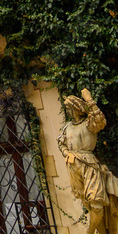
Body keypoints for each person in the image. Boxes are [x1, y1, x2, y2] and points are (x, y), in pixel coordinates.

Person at [58, 88, 118, 234]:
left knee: (96, 203)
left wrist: (90, 101)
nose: (68, 112)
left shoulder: (88, 124)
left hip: (89, 165)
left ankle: (89, 232)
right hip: (73, 166)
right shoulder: (67, 127)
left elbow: (100, 121)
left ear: (77, 108)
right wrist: (67, 153)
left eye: (69, 108)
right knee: (88, 205)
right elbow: (61, 144)